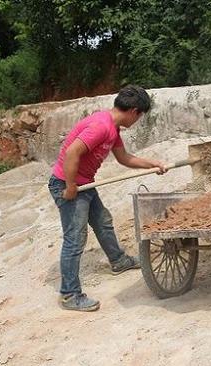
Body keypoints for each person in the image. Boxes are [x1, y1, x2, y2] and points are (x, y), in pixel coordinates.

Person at [48, 85, 168, 311]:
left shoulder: (113, 130)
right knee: (75, 239)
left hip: (84, 184)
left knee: (103, 222)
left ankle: (119, 261)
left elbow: (124, 158)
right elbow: (73, 152)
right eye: (140, 116)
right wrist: (71, 186)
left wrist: (153, 164)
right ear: (134, 111)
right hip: (68, 184)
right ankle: (69, 295)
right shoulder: (101, 126)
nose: (137, 121)